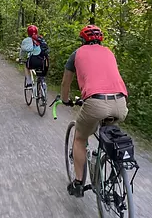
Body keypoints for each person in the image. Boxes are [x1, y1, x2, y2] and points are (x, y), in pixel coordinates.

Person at [60, 24, 128, 197]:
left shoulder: (77, 54)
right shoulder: (109, 53)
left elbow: (66, 83)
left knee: (80, 138)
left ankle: (78, 183)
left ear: (83, 40)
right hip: (121, 103)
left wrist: (65, 100)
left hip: (96, 103)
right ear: (100, 40)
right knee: (108, 134)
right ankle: (112, 168)